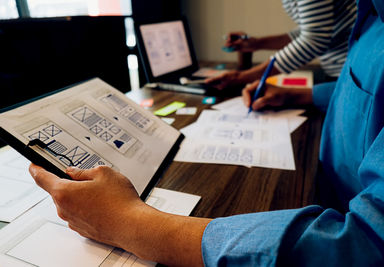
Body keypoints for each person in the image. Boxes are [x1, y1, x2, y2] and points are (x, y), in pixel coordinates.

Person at [29, 0, 384, 265]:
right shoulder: (371, 15)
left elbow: (363, 246)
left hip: (334, 207)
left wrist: (128, 223)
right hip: (330, 184)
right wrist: (305, 94)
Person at [207, 0, 357, 90]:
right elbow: (315, 28)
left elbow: (314, 39)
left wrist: (243, 77)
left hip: (351, 74)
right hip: (343, 70)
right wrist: (257, 43)